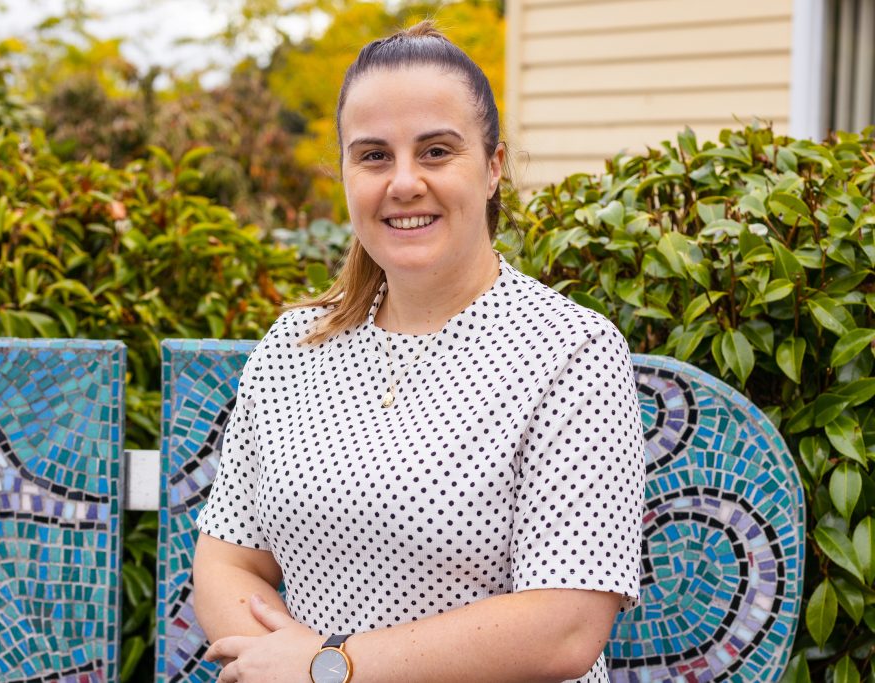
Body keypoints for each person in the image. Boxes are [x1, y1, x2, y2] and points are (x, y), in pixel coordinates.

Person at [193, 21, 644, 683]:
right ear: (345, 174)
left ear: (492, 167)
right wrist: (287, 667)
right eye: (373, 155)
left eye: (436, 151)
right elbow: (229, 557)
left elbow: (567, 623)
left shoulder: (570, 352)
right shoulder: (292, 347)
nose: (404, 182)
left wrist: (333, 666)